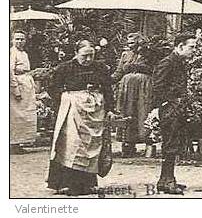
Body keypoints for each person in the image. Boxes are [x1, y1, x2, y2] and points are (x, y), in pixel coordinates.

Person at [46, 40, 114, 196]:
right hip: (74, 111)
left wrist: (109, 108)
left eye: (91, 55)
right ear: (76, 53)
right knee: (73, 145)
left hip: (95, 111)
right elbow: (53, 87)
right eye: (85, 56)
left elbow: (108, 89)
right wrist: (65, 101)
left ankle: (87, 183)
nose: (88, 59)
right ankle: (68, 184)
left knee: (92, 146)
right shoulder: (64, 68)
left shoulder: (100, 68)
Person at [152, 33, 197, 195]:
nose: (194, 50)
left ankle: (166, 180)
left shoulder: (179, 62)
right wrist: (171, 101)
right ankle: (167, 181)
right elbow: (157, 87)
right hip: (170, 109)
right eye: (191, 47)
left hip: (177, 108)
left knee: (174, 143)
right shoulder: (168, 63)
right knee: (170, 144)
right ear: (180, 46)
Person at [115, 54, 153, 157]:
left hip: (144, 85)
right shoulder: (125, 54)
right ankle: (128, 144)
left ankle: (149, 144)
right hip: (127, 87)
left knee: (144, 112)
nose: (130, 41)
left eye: (133, 37)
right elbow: (119, 72)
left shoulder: (150, 50)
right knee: (128, 112)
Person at [10, 30, 37, 152]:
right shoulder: (12, 53)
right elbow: (9, 71)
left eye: (22, 39)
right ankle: (13, 143)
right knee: (17, 115)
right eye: (17, 39)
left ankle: (20, 142)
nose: (20, 41)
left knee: (25, 114)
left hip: (26, 84)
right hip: (18, 83)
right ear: (12, 40)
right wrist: (15, 89)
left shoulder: (24, 53)